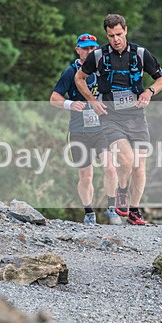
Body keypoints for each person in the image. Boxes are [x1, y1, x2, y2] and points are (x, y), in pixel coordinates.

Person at [75, 14, 162, 225]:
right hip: (110, 117)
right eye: (111, 35)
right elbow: (79, 78)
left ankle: (134, 211)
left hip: (136, 117)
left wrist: (149, 92)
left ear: (125, 30)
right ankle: (122, 190)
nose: (115, 39)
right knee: (126, 159)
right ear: (106, 35)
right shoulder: (98, 55)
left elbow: (161, 78)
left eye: (118, 34)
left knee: (139, 167)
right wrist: (92, 101)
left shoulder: (141, 54)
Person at [50, 33, 123, 225]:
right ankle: (89, 212)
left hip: (103, 129)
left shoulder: (105, 71)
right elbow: (54, 98)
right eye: (86, 48)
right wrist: (69, 104)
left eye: (93, 48)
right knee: (86, 174)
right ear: (78, 50)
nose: (90, 51)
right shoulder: (70, 72)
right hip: (78, 131)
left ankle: (111, 209)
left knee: (110, 167)